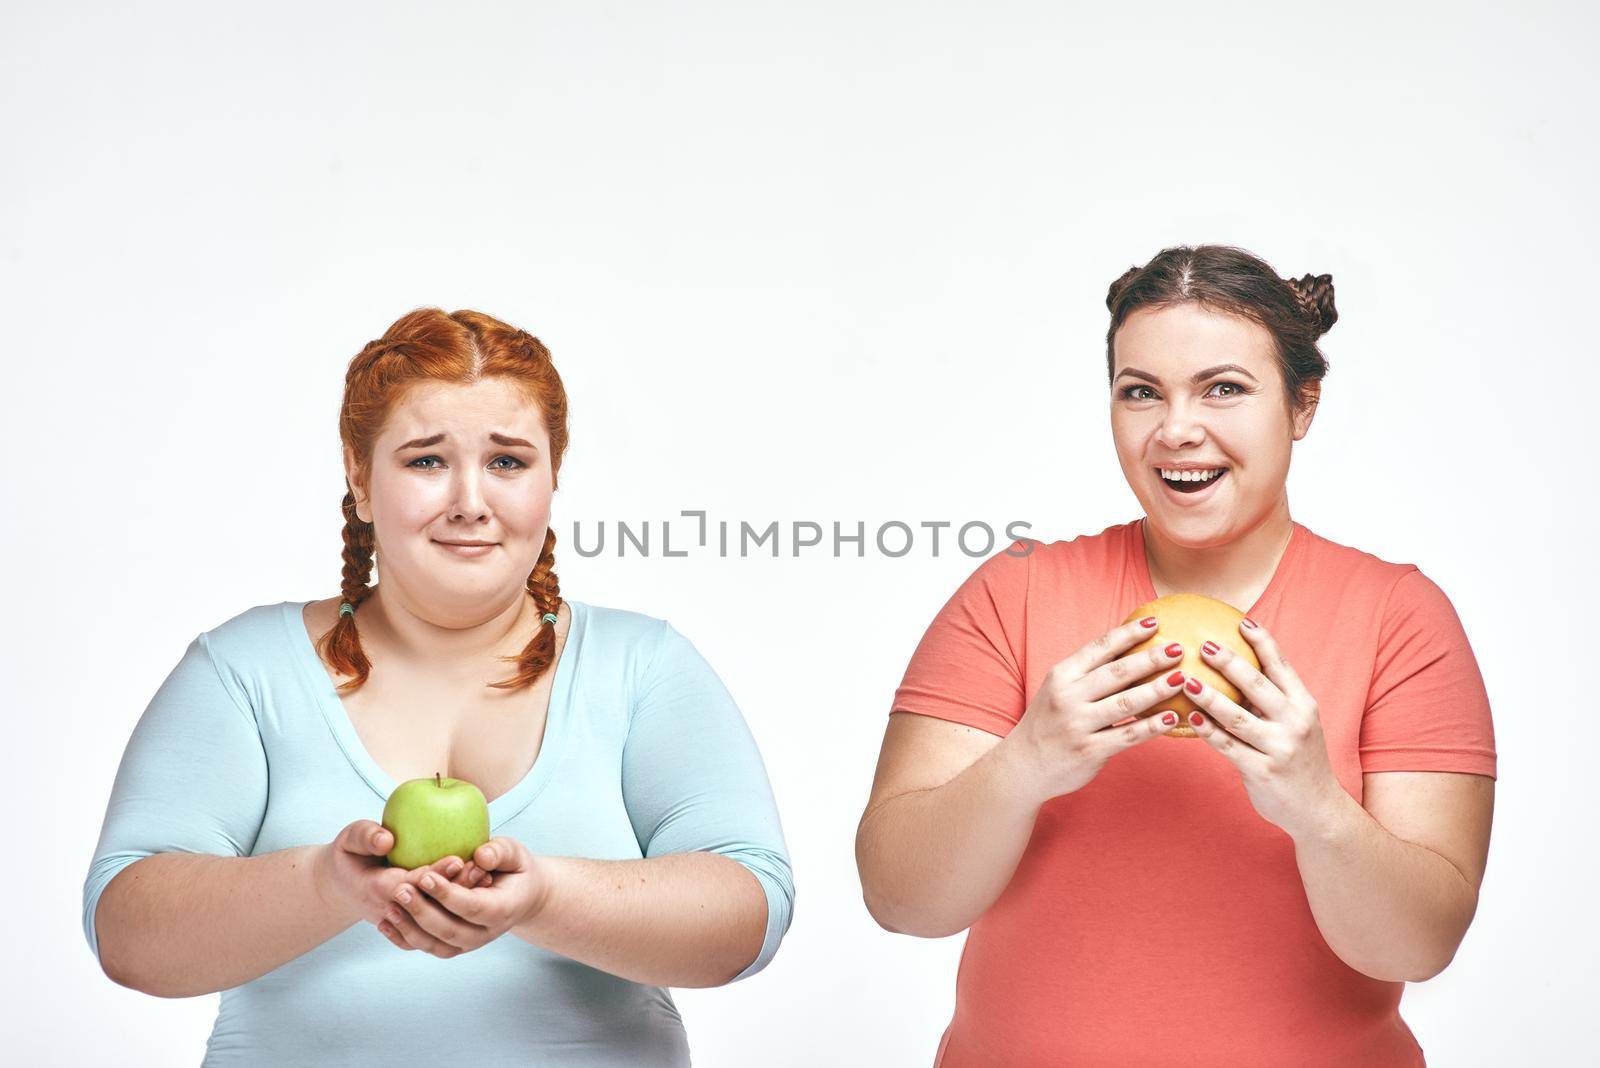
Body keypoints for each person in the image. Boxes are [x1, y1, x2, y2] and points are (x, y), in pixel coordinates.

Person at [82, 308, 794, 1067]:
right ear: (360, 477)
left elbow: (751, 917)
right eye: (425, 461)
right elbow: (126, 934)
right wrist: (328, 885)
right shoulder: (241, 670)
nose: (469, 501)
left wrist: (545, 897)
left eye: (509, 462)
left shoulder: (644, 666)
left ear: (554, 478)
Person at [855, 245, 1496, 1067]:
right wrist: (1028, 760)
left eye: (1224, 388)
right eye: (1140, 392)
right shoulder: (1011, 595)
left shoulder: (1399, 617)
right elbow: (901, 900)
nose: (1176, 430)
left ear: (1303, 405)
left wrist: (1315, 805)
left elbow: (1419, 947)